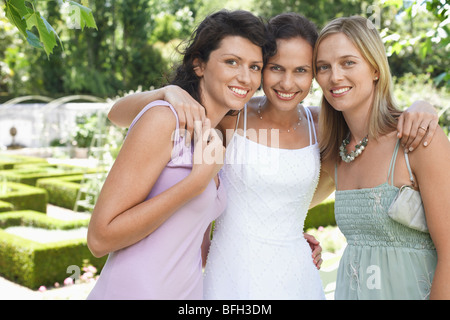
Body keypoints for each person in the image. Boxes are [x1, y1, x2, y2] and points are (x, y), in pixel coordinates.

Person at [108, 12, 438, 300]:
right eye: (275, 68)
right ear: (262, 68)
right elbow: (118, 115)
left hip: (297, 277)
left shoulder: (321, 126)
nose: (286, 83)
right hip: (229, 274)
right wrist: (169, 92)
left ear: (313, 76)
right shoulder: (232, 116)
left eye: (302, 71)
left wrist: (421, 108)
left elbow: (368, 138)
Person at [86, 9, 269, 300]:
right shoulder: (165, 119)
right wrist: (193, 185)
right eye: (231, 62)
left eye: (255, 66)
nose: (245, 77)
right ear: (199, 65)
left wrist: (283, 241)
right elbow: (99, 238)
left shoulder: (217, 136)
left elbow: (196, 247)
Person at [314, 15, 450, 299]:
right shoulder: (333, 153)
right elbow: (280, 210)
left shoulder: (418, 139)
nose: (335, 76)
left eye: (348, 62)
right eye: (323, 67)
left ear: (375, 69)